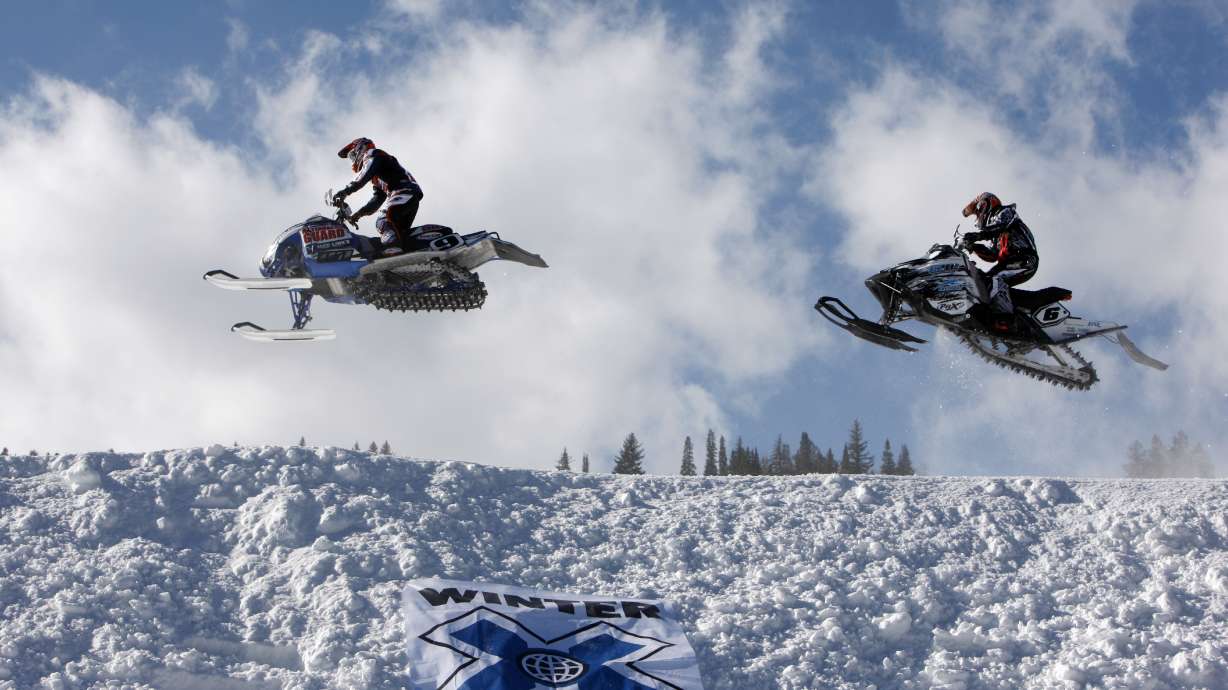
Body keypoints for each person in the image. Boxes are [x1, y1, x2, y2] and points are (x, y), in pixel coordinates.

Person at [332, 137, 425, 257]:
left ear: (361, 148)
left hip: (403, 191)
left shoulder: (372, 154)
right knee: (398, 232)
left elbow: (362, 177)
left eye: (352, 155)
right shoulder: (377, 174)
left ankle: (393, 251)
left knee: (383, 221)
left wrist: (345, 191)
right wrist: (359, 213)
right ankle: (409, 254)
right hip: (408, 195)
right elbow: (378, 199)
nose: (353, 160)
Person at [960, 192, 1039, 329]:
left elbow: (1000, 227)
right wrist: (973, 246)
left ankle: (1006, 320)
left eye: (978, 212)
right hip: (1010, 263)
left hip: (1025, 259)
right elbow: (992, 256)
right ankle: (986, 316)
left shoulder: (1006, 212)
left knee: (996, 279)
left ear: (985, 205)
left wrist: (978, 236)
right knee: (984, 281)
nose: (978, 216)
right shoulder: (995, 235)